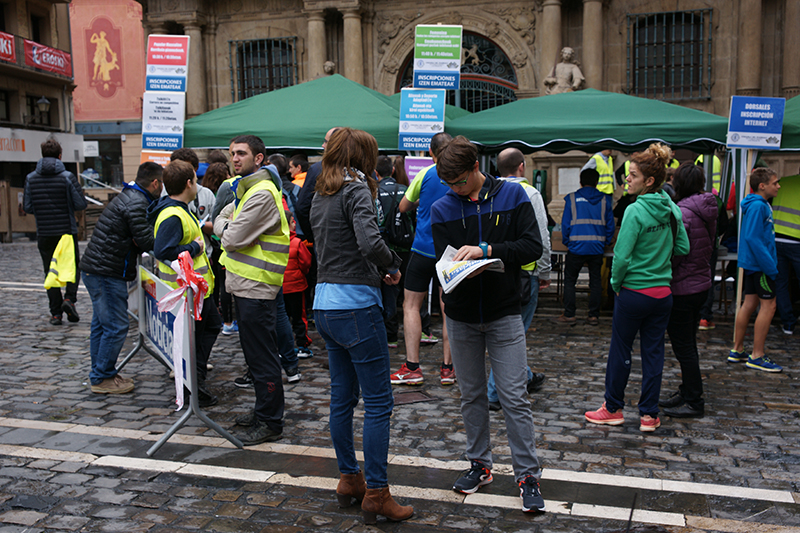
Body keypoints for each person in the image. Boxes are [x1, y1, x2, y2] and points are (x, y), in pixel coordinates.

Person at [431, 136, 545, 513]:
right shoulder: (442, 208)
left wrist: (489, 251)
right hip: (462, 316)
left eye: (460, 182)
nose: (455, 189)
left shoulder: (514, 197)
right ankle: (479, 464)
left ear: (477, 168)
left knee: (514, 396)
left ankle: (527, 475)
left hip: (504, 312)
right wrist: (452, 273)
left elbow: (532, 247)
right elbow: (442, 262)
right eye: (449, 184)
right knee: (471, 397)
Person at [310, 128, 413, 525]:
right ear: (364, 157)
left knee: (341, 399)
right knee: (379, 403)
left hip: (325, 304)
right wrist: (391, 264)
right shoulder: (355, 190)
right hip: (355, 305)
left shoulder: (322, 191)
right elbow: (370, 243)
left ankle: (348, 479)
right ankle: (377, 491)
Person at [584, 143, 689, 433]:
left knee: (621, 350)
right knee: (654, 353)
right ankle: (648, 415)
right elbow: (683, 246)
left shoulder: (635, 211)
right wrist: (659, 256)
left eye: (632, 175)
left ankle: (613, 408)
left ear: (649, 181)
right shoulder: (671, 208)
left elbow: (622, 257)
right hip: (662, 294)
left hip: (634, 292)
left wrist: (616, 285)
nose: (626, 179)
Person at [214, 135, 291, 444]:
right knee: (255, 356)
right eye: (232, 153)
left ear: (259, 158)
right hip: (246, 286)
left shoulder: (259, 193)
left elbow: (230, 237)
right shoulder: (247, 189)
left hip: (257, 287)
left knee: (262, 358)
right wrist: (226, 225)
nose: (234, 158)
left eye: (241, 153)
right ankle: (263, 411)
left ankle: (271, 420)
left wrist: (224, 227)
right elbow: (223, 220)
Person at [80, 162, 163, 394]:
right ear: (155, 183)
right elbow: (148, 242)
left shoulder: (131, 196)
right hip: (107, 271)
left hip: (100, 269)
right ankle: (101, 377)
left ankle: (102, 373)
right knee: (116, 326)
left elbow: (140, 239)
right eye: (162, 184)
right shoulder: (136, 202)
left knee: (102, 325)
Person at [149, 160, 222, 408]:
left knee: (210, 327)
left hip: (195, 291)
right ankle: (194, 385)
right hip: (186, 293)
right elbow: (163, 251)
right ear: (189, 183)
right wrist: (195, 246)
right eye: (195, 179)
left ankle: (195, 381)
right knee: (199, 336)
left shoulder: (180, 208)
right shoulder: (173, 213)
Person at [486, 147, 550, 410]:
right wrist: (544, 271)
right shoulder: (530, 193)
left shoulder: (488, 193)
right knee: (514, 334)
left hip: (493, 270)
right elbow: (541, 236)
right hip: (525, 273)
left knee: (504, 330)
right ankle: (494, 392)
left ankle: (526, 376)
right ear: (522, 167)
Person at [391, 132, 454, 386]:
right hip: (451, 254)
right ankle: (448, 369)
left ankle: (413, 367)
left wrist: (422, 204)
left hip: (423, 249)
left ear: (431, 152)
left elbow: (403, 207)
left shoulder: (425, 174)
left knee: (410, 306)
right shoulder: (461, 175)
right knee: (449, 309)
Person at [660, 163, 717, 418]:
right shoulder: (706, 208)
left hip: (683, 286)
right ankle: (687, 391)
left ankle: (694, 400)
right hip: (700, 283)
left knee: (684, 346)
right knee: (688, 343)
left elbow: (678, 253)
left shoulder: (684, 213)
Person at [24, 139, 87, 325]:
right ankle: (69, 299)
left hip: (44, 232)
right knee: (73, 267)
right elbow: (80, 204)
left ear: (42, 155)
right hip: (66, 231)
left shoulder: (30, 178)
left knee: (50, 272)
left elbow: (27, 207)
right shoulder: (67, 177)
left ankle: (55, 314)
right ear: (60, 155)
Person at [728, 167, 783, 372]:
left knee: (749, 303)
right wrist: (770, 266)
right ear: (762, 186)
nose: (778, 186)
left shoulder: (757, 205)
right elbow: (753, 237)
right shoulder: (759, 206)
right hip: (760, 266)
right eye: (775, 182)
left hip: (754, 264)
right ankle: (757, 355)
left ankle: (738, 349)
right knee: (769, 306)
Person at [558, 168, 615, 324]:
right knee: (595, 281)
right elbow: (610, 225)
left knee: (570, 281)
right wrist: (606, 241)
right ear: (597, 182)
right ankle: (593, 316)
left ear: (580, 181)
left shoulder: (571, 199)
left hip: (575, 246)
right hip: (597, 247)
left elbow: (565, 224)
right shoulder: (605, 200)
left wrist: (567, 241)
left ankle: (569, 314)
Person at [772, 172, 800, 336]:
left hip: (776, 238)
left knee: (780, 284)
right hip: (797, 240)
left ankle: (788, 323)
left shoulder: (782, 182)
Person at [282, 211, 313, 355]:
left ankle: (283, 347)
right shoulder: (297, 242)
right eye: (293, 221)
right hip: (296, 286)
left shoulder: (274, 243)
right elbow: (306, 262)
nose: (295, 223)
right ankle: (302, 344)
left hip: (281, 287)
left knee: (283, 318)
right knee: (299, 316)